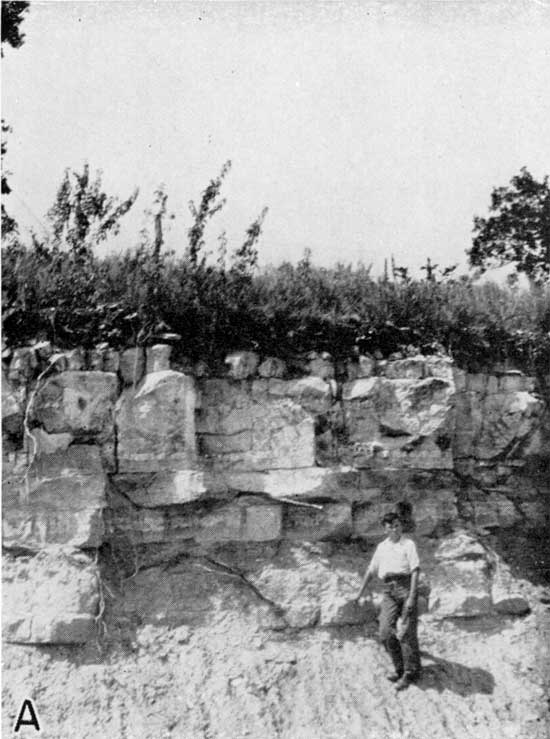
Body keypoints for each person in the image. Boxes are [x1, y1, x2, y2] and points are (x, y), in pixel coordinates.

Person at [356, 511, 421, 691]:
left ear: (401, 526)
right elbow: (371, 570)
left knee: (407, 633)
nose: (394, 529)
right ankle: (399, 668)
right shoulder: (382, 547)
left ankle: (410, 673)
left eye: (397, 525)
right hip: (388, 590)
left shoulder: (408, 544)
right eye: (390, 526)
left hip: (406, 587)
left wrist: (411, 597)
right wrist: (360, 591)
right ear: (385, 529)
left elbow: (415, 570)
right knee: (385, 631)